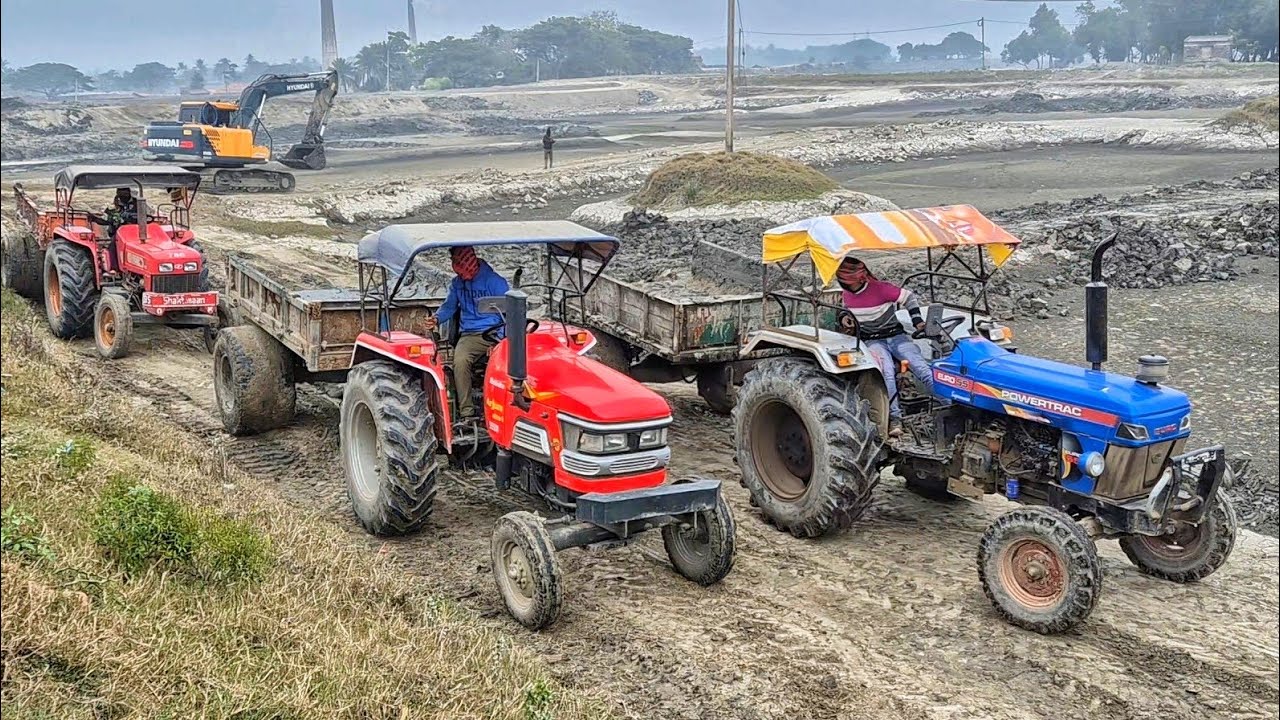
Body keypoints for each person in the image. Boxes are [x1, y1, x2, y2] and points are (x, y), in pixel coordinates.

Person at [836, 255, 935, 439]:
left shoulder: (881, 289)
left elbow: (909, 298)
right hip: (872, 340)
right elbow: (844, 310)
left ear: (856, 278)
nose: (844, 284)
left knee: (922, 368)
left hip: (895, 336)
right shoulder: (846, 295)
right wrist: (844, 318)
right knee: (886, 372)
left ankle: (947, 406)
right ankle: (895, 418)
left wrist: (918, 322)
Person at [423, 247, 510, 419]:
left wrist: (500, 343)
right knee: (461, 361)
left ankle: (505, 410)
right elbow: (449, 306)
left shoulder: (495, 282)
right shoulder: (457, 284)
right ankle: (467, 413)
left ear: (471, 265)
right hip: (471, 335)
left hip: (497, 333)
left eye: (464, 273)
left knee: (514, 361)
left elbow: (510, 315)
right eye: (459, 273)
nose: (462, 277)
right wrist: (437, 318)